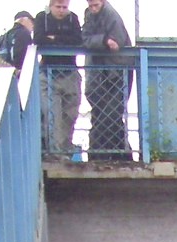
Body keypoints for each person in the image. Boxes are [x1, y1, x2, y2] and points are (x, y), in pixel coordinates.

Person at [81, 0, 131, 160]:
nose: (93, 9)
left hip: (116, 72)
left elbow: (117, 42)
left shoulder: (111, 15)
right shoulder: (89, 14)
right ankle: (118, 154)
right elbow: (85, 38)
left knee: (111, 114)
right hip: (101, 73)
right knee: (103, 113)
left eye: (96, 5)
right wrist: (103, 40)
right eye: (91, 5)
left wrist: (98, 41)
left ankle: (102, 153)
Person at [31, 0, 81, 157]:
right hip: (48, 74)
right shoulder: (41, 18)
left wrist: (54, 38)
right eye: (58, 7)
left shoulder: (73, 18)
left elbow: (78, 40)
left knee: (71, 114)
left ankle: (66, 150)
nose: (61, 11)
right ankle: (56, 154)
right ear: (51, 6)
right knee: (53, 115)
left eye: (64, 7)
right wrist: (63, 39)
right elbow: (38, 39)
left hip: (70, 73)